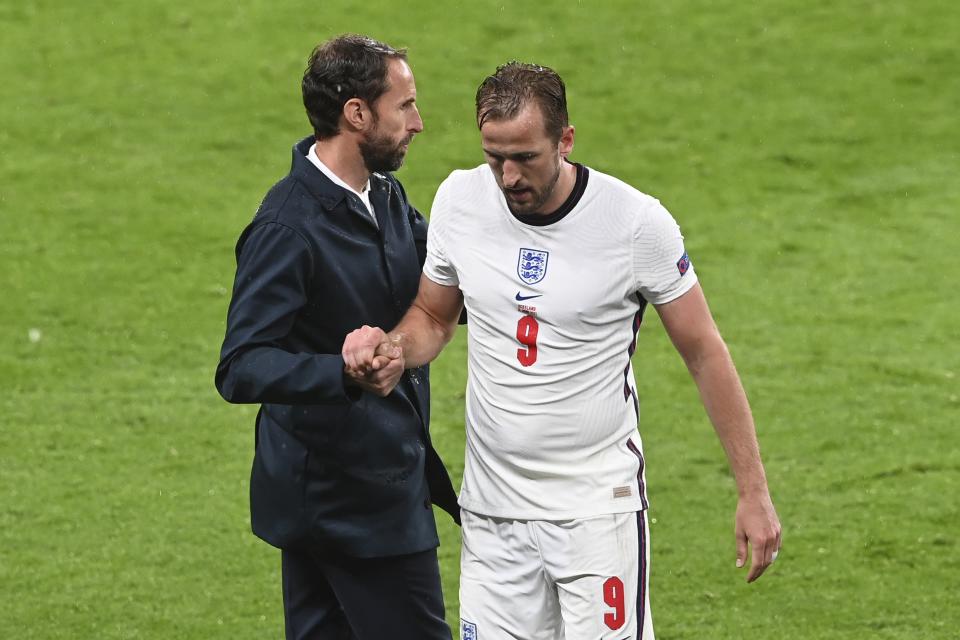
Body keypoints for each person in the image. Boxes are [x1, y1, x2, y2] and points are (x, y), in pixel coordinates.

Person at [342, 61, 782, 639]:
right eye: (494, 156)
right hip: (493, 509)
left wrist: (753, 492)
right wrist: (397, 349)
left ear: (565, 140)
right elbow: (432, 316)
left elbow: (704, 351)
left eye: (525, 157)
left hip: (597, 510)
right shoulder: (460, 200)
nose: (507, 177)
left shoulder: (634, 223)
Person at [215, 34, 459, 640]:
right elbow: (240, 365)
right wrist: (341, 372)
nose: (418, 122)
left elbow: (441, 285)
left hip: (356, 483)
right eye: (404, 106)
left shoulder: (386, 196)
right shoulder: (287, 228)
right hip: (349, 502)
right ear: (357, 113)